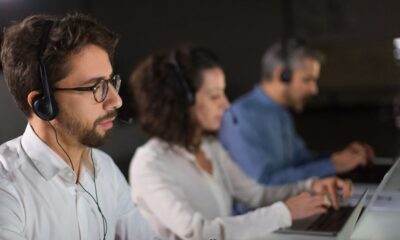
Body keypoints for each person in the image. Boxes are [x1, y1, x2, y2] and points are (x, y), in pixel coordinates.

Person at [128, 45, 352, 240]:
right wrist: (284, 212)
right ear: (181, 102)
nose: (226, 105)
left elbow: (256, 195)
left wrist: (310, 186)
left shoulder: (209, 147)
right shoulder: (150, 164)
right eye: (215, 96)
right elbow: (199, 233)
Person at [0, 14, 154, 239]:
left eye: (110, 82)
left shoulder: (104, 168)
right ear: (44, 105)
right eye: (95, 87)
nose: (116, 100)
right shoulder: (6, 188)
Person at [219, 40, 374, 186]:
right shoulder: (241, 116)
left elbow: (299, 161)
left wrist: (338, 157)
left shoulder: (281, 113)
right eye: (307, 80)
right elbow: (264, 183)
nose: (314, 90)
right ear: (282, 74)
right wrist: (332, 165)